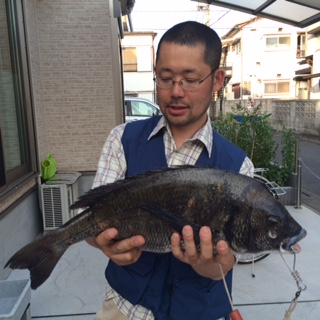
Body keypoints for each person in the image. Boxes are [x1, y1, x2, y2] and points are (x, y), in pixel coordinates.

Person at [88, 21, 254, 320]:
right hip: (124, 309)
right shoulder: (123, 140)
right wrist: (104, 244)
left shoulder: (237, 167)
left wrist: (208, 266)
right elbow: (92, 222)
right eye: (165, 78)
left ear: (217, 79)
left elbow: (227, 261)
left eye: (190, 80)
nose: (175, 92)